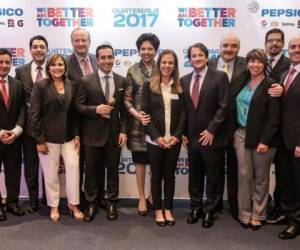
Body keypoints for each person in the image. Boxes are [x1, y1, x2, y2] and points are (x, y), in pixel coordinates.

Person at [228, 49, 280, 230]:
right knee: (243, 176)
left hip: (263, 139)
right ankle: (244, 214)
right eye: (251, 61)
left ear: (264, 64)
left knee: (261, 178)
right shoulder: (242, 80)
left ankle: (259, 214)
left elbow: (274, 119)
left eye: (258, 61)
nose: (254, 65)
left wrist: (265, 141)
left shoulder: (271, 85)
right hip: (241, 135)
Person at [75, 44, 127, 222]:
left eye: (110, 57)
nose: (106, 61)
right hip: (92, 135)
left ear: (114, 59)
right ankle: (91, 203)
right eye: (103, 58)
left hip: (114, 135)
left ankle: (111, 202)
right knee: (91, 172)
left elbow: (125, 111)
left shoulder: (121, 81)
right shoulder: (86, 81)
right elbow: (78, 106)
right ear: (97, 60)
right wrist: (95, 109)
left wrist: (123, 131)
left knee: (112, 171)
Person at [30, 54, 83, 222]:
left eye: (60, 64)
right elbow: (35, 114)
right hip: (48, 139)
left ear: (65, 67)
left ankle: (73, 204)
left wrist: (77, 135)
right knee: (51, 174)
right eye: (53, 65)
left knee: (74, 170)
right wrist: (40, 140)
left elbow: (75, 114)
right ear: (48, 67)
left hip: (69, 138)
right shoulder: (41, 86)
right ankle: (54, 206)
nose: (57, 68)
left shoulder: (72, 85)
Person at [181, 43, 229, 228]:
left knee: (214, 176)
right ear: (190, 59)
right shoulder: (184, 80)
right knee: (195, 176)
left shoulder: (220, 77)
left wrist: (211, 130)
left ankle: (210, 209)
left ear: (207, 57)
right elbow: (185, 110)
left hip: (212, 137)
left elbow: (224, 106)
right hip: (192, 138)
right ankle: (195, 207)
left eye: (200, 55)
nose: (197, 58)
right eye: (193, 56)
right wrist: (184, 133)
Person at [141, 49, 185, 226]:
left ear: (174, 66)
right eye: (164, 62)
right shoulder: (149, 85)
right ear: (159, 64)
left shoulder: (179, 86)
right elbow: (145, 113)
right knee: (156, 177)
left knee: (170, 176)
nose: (167, 66)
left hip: (174, 141)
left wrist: (176, 137)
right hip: (155, 141)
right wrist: (157, 137)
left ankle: (168, 209)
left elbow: (183, 115)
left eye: (171, 63)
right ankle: (158, 210)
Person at [208, 33, 246, 218]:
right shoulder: (208, 64)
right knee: (214, 169)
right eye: (226, 45)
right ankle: (213, 206)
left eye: (233, 45)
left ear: (238, 48)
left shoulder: (247, 65)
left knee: (235, 168)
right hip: (213, 128)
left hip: (237, 127)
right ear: (219, 47)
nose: (229, 49)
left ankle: (234, 205)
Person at [124, 33, 160, 215]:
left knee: (156, 163)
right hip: (138, 126)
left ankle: (153, 196)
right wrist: (137, 115)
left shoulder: (162, 68)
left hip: (159, 126)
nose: (146, 52)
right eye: (143, 48)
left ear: (156, 51)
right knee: (140, 163)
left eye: (150, 49)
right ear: (139, 50)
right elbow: (127, 99)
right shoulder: (133, 70)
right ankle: (141, 197)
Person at [15, 35, 48, 213]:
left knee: (49, 167)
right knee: (30, 166)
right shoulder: (21, 71)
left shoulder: (54, 69)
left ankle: (49, 199)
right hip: (28, 128)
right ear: (30, 50)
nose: (38, 50)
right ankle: (33, 200)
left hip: (50, 128)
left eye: (42, 47)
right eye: (35, 47)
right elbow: (18, 100)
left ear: (46, 49)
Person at [264, 28, 291, 224]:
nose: (274, 44)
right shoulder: (258, 63)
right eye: (270, 40)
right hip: (260, 128)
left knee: (282, 172)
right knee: (259, 172)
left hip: (282, 129)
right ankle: (266, 204)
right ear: (266, 43)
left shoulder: (291, 65)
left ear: (283, 44)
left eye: (278, 41)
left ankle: (282, 208)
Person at [277, 35, 300, 239]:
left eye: (299, 47)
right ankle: (289, 214)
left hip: (297, 141)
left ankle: (297, 222)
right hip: (283, 140)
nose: (295, 49)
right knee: (286, 181)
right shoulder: (285, 73)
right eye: (292, 47)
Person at [0, 49, 25, 220]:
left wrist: (16, 131)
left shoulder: (17, 84)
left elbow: (23, 110)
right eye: (1, 62)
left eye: (7, 62)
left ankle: (12, 203)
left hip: (14, 139)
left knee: (13, 171)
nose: (4, 65)